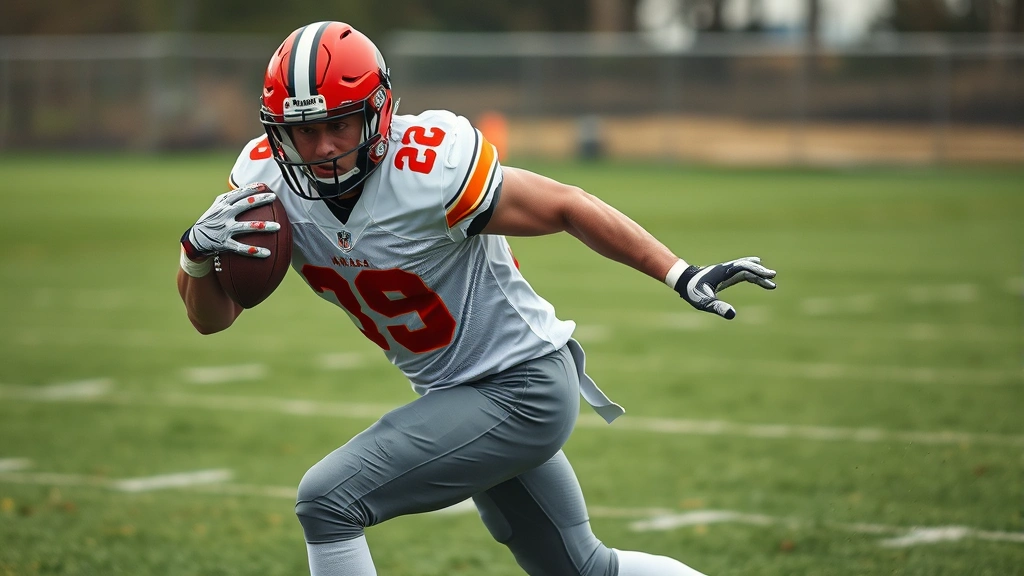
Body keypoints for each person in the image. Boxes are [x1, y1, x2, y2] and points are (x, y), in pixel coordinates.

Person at [176, 21, 777, 576]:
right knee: (581, 569)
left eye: (340, 124)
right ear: (278, 132)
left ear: (379, 113)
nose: (325, 147)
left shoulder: (427, 168)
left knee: (328, 500)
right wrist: (195, 258)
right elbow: (212, 321)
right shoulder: (265, 185)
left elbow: (565, 204)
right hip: (459, 393)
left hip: (523, 387)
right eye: (305, 131)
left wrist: (679, 272)